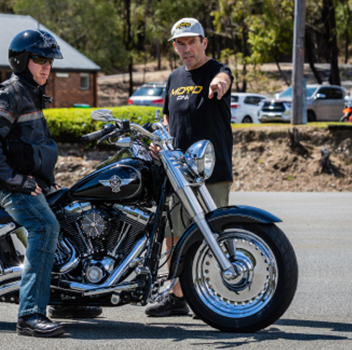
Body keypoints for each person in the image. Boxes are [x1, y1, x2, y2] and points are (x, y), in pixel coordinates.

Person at [0, 29, 70, 337]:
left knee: (74, 210)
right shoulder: (10, 93)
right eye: (39, 59)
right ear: (21, 60)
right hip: (9, 185)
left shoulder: (32, 93)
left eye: (49, 61)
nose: (46, 67)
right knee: (45, 227)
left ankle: (69, 298)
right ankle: (29, 315)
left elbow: (30, 145)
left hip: (31, 182)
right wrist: (16, 181)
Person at [144, 18, 234, 318]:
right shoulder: (173, 79)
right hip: (177, 172)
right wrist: (160, 141)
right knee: (174, 234)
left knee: (209, 232)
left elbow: (224, 80)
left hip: (210, 171)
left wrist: (219, 85)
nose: (187, 48)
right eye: (180, 43)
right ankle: (177, 295)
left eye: (192, 42)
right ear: (174, 47)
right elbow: (168, 118)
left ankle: (203, 294)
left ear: (204, 42)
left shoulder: (217, 71)